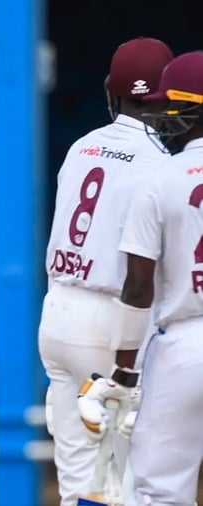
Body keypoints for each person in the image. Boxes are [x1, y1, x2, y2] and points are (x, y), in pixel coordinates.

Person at [37, 37, 174, 505]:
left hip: (59, 311)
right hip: (117, 320)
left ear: (111, 91)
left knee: (79, 480)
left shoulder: (82, 147)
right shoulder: (162, 161)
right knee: (132, 475)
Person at [78, 50, 203, 505]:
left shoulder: (159, 176)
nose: (164, 115)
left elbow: (137, 286)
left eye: (171, 104)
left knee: (161, 491)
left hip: (184, 343)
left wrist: (124, 372)